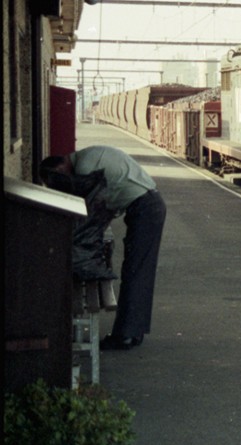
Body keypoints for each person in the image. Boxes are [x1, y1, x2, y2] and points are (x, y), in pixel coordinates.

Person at [40, 146, 166, 350]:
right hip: (146, 204)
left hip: (146, 207)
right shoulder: (86, 157)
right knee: (137, 270)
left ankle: (126, 336)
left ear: (61, 167)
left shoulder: (86, 168)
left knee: (136, 271)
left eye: (59, 180)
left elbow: (91, 210)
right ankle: (133, 332)